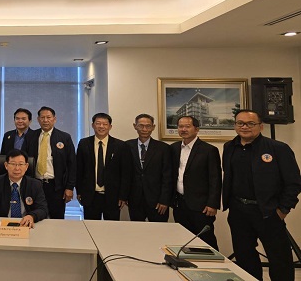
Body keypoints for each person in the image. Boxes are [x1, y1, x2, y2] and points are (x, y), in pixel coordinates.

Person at [222, 110, 301, 281]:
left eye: (250, 123)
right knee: (244, 256)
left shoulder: (278, 148)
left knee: (279, 259)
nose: (245, 127)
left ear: (261, 126)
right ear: (235, 125)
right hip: (238, 211)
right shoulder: (229, 147)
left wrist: (283, 210)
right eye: (240, 123)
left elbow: (293, 182)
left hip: (268, 212)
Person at [170, 115, 221, 249]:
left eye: (187, 126)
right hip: (179, 204)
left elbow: (215, 178)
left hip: (201, 206)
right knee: (183, 240)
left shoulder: (209, 150)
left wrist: (212, 204)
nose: (183, 129)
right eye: (180, 126)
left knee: (206, 240)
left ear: (196, 129)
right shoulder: (173, 148)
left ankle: (213, 262)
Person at [22, 106, 76, 219]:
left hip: (56, 186)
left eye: (48, 117)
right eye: (42, 117)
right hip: (34, 184)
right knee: (33, 216)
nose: (45, 120)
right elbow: (23, 160)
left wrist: (69, 187)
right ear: (38, 119)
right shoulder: (30, 136)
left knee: (56, 219)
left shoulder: (64, 137)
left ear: (54, 119)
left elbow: (72, 164)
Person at [76, 113, 130, 220]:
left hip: (113, 196)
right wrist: (79, 191)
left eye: (105, 124)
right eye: (98, 123)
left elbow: (125, 173)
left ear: (110, 126)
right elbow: (79, 170)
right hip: (90, 195)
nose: (101, 126)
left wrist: (123, 196)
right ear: (93, 125)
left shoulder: (120, 146)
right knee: (91, 226)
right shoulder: (84, 143)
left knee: (111, 227)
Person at [0, 149, 48, 228]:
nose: (17, 168)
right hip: (0, 226)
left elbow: (43, 209)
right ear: (6, 165)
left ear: (26, 166)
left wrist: (31, 216)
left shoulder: (35, 184)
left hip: (25, 225)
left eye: (21, 164)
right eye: (13, 164)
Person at [126, 113, 172, 222]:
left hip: (157, 201)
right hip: (135, 200)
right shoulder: (127, 146)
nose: (144, 129)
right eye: (141, 126)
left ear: (153, 127)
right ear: (135, 126)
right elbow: (125, 174)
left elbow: (168, 176)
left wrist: (164, 200)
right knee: (137, 230)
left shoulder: (163, 148)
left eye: (148, 126)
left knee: (159, 231)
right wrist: (125, 196)